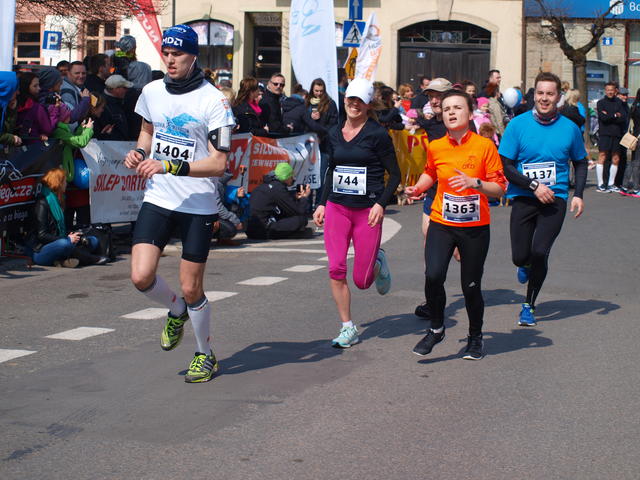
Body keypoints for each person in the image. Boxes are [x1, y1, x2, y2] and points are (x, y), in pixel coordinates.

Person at [123, 24, 235, 383]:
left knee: (191, 288)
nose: (170, 60)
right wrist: (140, 152)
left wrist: (171, 165)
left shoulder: (214, 101)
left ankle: (205, 354)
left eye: (178, 54)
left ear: (193, 57)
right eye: (166, 54)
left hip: (198, 203)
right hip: (159, 196)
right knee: (141, 276)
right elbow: (148, 131)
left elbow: (219, 164)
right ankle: (176, 310)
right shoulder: (152, 90)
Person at [406, 90, 506, 360]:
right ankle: (436, 329)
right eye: (447, 108)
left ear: (470, 113)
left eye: (457, 107)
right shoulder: (436, 145)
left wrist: (475, 183)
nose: (451, 112)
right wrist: (417, 188)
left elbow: (499, 188)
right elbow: (430, 172)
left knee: (470, 286)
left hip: (474, 227)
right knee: (433, 275)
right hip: (442, 222)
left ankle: (475, 337)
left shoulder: (484, 146)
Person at [313, 78, 401, 348]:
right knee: (336, 268)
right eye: (351, 99)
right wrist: (322, 203)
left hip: (367, 211)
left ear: (368, 105)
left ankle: (378, 260)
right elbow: (331, 170)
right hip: (338, 208)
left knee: (362, 281)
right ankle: (347, 327)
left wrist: (381, 204)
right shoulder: (334, 133)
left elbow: (395, 174)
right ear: (345, 100)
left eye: (360, 101)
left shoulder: (377, 134)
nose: (354, 104)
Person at [499, 72, 587, 327]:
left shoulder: (570, 128)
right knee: (520, 256)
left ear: (558, 97)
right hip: (524, 196)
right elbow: (506, 166)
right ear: (533, 95)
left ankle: (529, 305)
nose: (544, 98)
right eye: (540, 93)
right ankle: (524, 264)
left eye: (550, 93)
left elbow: (581, 162)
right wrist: (534, 185)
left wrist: (578, 195)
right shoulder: (518, 125)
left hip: (555, 199)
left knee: (540, 252)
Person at [26, 167, 108, 267]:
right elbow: (42, 235)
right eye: (64, 181)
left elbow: (60, 230)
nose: (66, 184)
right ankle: (91, 259)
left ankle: (62, 261)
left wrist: (73, 234)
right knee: (64, 244)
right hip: (40, 251)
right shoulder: (42, 203)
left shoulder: (59, 200)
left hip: (60, 241)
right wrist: (67, 238)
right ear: (58, 183)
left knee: (93, 241)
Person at [246, 162, 312, 239]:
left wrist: (295, 197)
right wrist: (304, 198)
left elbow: (283, 207)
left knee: (286, 217)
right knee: (301, 220)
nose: (293, 179)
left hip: (250, 229)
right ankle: (295, 234)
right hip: (263, 230)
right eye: (291, 177)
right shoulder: (278, 188)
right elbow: (298, 211)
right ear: (286, 177)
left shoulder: (266, 186)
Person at [596, 82, 625, 192]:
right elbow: (603, 118)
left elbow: (623, 118)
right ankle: (600, 184)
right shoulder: (600, 103)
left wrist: (609, 115)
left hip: (617, 134)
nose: (610, 92)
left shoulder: (619, 102)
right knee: (602, 156)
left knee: (616, 158)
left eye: (611, 90)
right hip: (604, 134)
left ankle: (611, 183)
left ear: (615, 91)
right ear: (605, 91)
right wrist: (615, 115)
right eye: (608, 90)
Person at [16, 72, 60, 144]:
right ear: (26, 87)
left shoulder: (13, 104)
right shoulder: (36, 108)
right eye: (35, 86)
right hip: (33, 146)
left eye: (38, 85)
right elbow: (48, 129)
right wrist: (55, 111)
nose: (39, 88)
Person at [100, 74, 134, 140]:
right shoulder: (102, 105)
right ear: (115, 89)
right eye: (124, 88)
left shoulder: (123, 101)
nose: (126, 90)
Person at [60, 61, 91, 126]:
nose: (81, 76)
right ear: (68, 74)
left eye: (83, 73)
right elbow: (71, 120)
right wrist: (85, 100)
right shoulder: (67, 93)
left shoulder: (79, 87)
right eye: (77, 73)